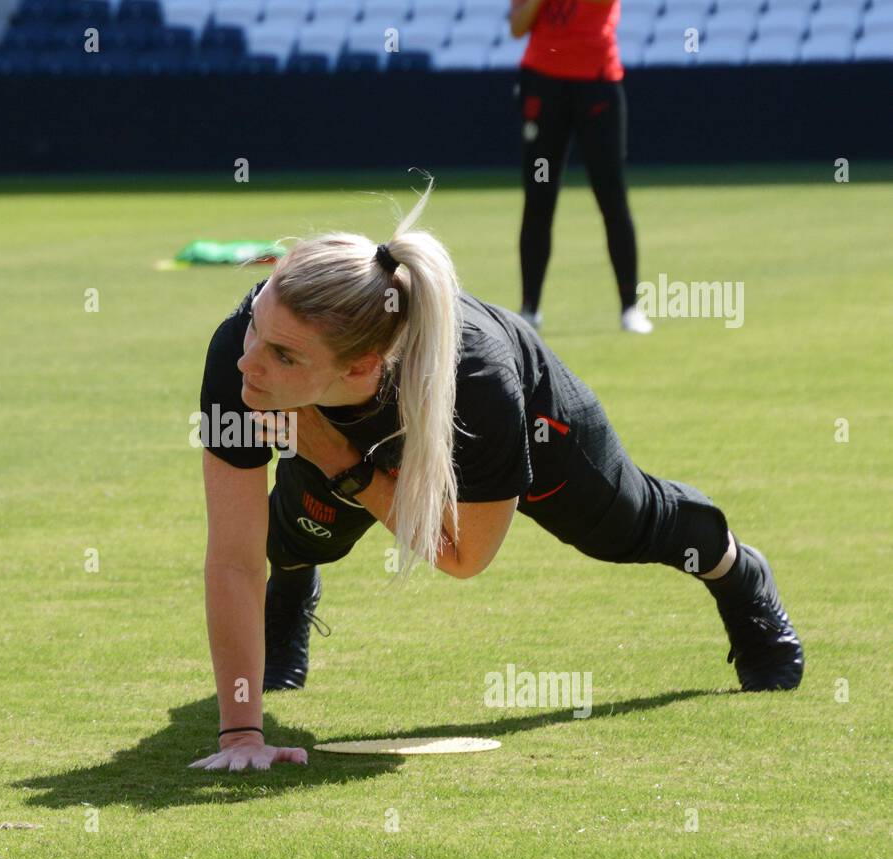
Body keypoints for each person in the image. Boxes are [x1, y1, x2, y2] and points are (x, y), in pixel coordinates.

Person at [191, 177, 802, 773]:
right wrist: (242, 733)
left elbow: (463, 555)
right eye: (255, 328)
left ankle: (739, 572)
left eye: (282, 355)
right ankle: (293, 595)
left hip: (524, 420)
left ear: (360, 368)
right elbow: (234, 560)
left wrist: (338, 459)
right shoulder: (238, 361)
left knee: (628, 525)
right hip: (339, 431)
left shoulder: (478, 381)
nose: (249, 361)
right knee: (297, 534)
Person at [510, 0, 651, 333]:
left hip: (597, 85)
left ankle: (630, 307)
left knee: (611, 196)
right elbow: (517, 27)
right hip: (544, 86)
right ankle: (530, 308)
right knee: (539, 198)